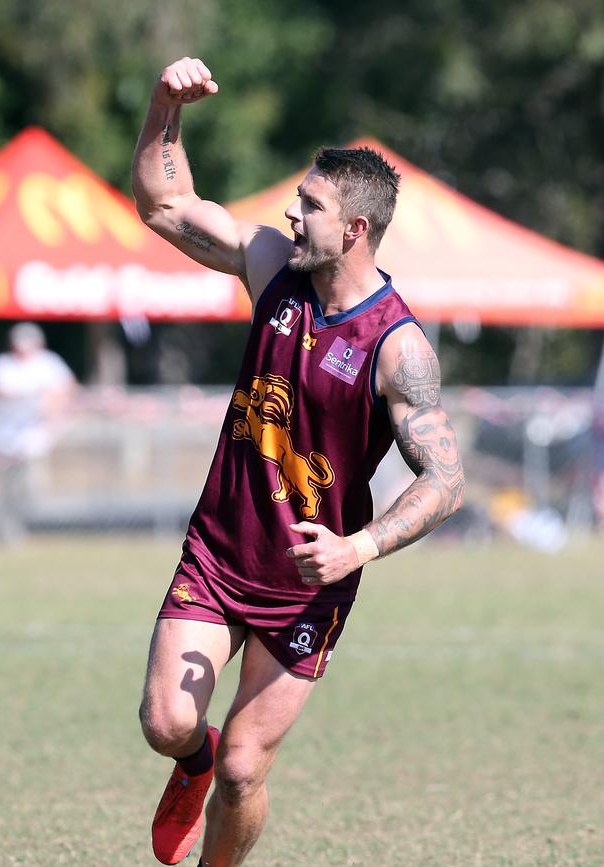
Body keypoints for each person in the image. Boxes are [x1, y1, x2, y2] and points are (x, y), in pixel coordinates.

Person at [132, 56, 465, 867]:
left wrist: (360, 546)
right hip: (219, 550)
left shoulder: (398, 347)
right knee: (167, 724)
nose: (290, 209)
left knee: (247, 767)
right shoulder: (272, 267)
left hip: (308, 580)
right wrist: (164, 106)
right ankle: (190, 762)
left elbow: (447, 478)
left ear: (354, 228)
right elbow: (165, 203)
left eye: (309, 204)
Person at [0, 322, 75, 542]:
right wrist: (35, 395)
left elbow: (66, 389)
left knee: (29, 486)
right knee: (8, 488)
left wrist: (52, 409)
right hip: (6, 438)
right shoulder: (2, 365)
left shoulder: (49, 363)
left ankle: (28, 527)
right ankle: (9, 531)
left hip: (36, 437)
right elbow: (4, 392)